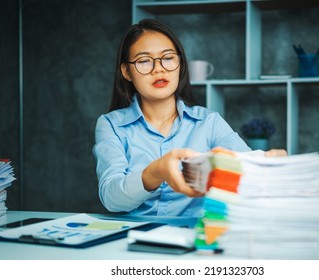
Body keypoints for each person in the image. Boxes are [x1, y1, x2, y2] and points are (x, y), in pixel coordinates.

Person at [93, 19, 286, 217]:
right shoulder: (110, 125)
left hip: (195, 237)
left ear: (180, 64)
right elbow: (111, 198)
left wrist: (267, 163)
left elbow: (243, 167)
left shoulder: (209, 122)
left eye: (168, 58)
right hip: (131, 240)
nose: (158, 69)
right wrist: (157, 171)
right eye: (144, 61)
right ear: (127, 71)